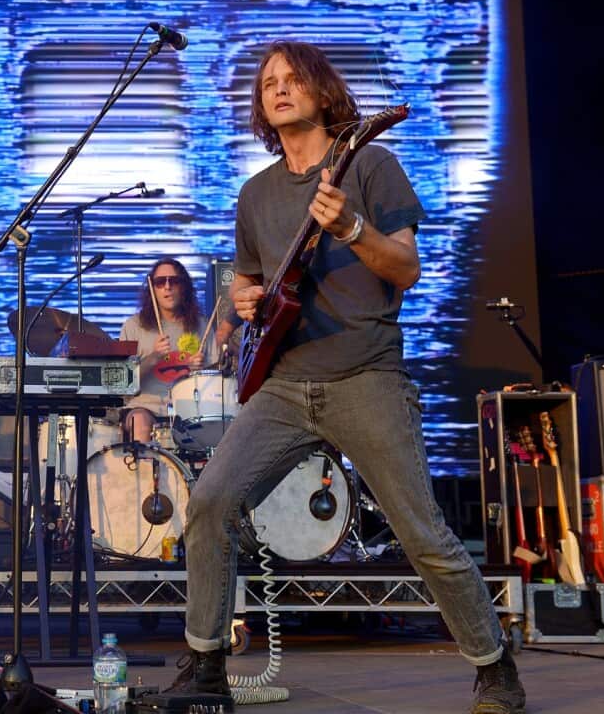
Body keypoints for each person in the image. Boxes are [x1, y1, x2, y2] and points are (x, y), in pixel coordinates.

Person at [167, 41, 524, 714]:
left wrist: (354, 227)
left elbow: (406, 269)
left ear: (321, 91)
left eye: (290, 79)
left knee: (422, 532)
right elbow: (247, 283)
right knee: (211, 502)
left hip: (366, 375)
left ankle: (493, 665)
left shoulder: (371, 164)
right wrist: (244, 302)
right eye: (266, 83)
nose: (276, 90)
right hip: (282, 385)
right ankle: (206, 664)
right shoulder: (256, 194)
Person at [119, 258, 208, 444]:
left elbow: (214, 379)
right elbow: (123, 382)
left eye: (174, 281)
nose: (167, 287)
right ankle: (142, 471)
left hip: (190, 409)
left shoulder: (201, 325)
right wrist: (154, 357)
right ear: (152, 288)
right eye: (160, 282)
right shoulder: (134, 326)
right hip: (144, 407)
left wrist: (199, 370)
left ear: (184, 286)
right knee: (140, 423)